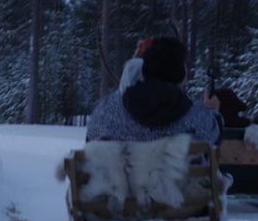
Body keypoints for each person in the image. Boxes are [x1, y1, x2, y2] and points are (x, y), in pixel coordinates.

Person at [86, 36, 221, 143]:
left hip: (118, 177)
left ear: (144, 68)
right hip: (173, 178)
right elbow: (214, 137)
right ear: (180, 72)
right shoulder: (196, 116)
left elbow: (91, 140)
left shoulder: (105, 110)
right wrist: (213, 111)